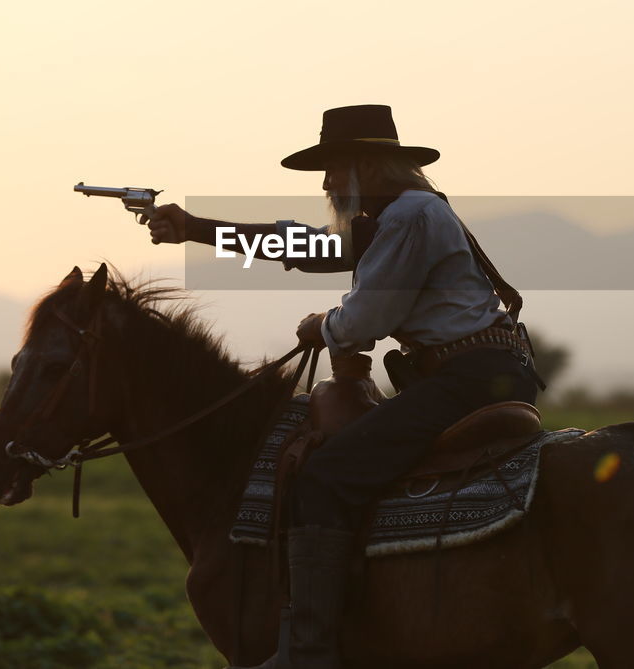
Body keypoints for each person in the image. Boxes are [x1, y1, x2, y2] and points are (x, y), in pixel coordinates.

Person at [148, 104, 541, 669]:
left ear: (367, 165)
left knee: (326, 476)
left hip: (468, 378)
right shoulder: (395, 218)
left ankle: (307, 651)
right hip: (475, 371)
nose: (329, 183)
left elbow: (367, 319)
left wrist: (323, 327)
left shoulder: (408, 217)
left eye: (335, 168)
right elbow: (309, 250)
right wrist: (197, 230)